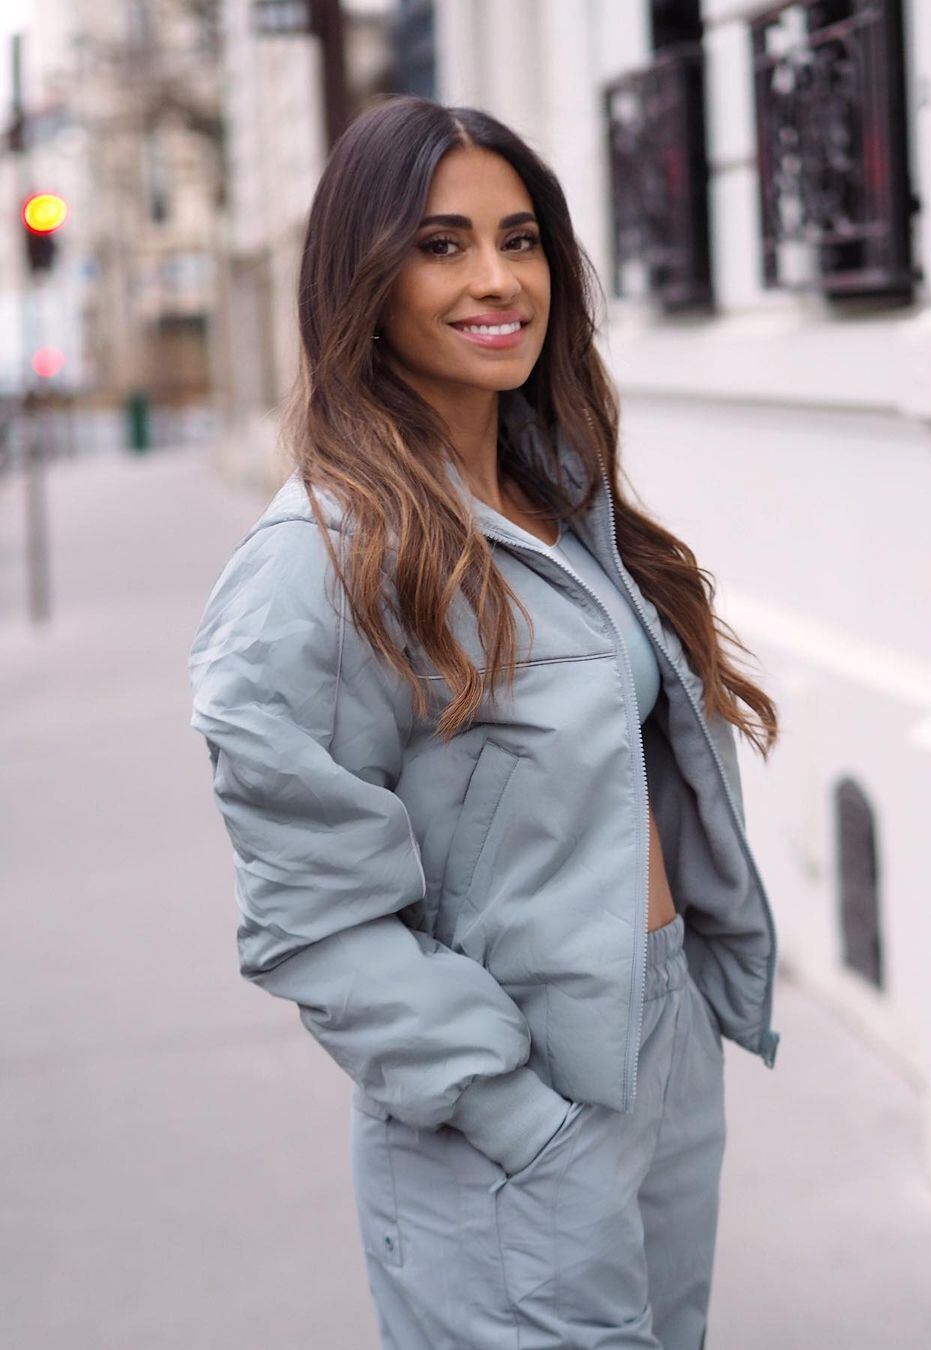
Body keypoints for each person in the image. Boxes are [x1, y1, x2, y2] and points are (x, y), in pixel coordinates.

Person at [188, 93, 781, 1350]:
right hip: (508, 1107)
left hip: (659, 1047)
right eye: (441, 244)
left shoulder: (558, 496)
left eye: (520, 239)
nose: (497, 278)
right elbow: (310, 916)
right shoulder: (316, 560)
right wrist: (517, 1117)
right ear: (365, 277)